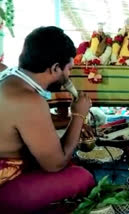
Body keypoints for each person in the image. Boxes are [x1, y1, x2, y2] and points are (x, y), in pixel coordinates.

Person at [0, 26, 95, 213]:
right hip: (4, 187)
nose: (68, 76)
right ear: (55, 68)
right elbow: (55, 165)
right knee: (82, 176)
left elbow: (21, 124)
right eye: (68, 69)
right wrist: (78, 116)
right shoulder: (29, 101)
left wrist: (67, 121)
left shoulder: (5, 73)